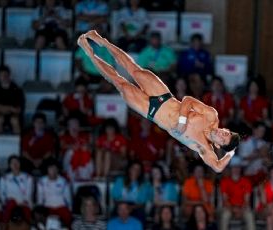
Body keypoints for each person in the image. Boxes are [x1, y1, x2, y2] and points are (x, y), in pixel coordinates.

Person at [78, 30, 240, 173]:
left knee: (119, 82)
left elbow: (218, 168)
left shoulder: (203, 148)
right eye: (226, 132)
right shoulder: (211, 115)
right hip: (164, 96)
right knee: (133, 68)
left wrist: (232, 152)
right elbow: (188, 100)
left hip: (150, 111)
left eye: (223, 139)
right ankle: (102, 41)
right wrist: (183, 121)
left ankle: (89, 52)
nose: (221, 133)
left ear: (218, 146)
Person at [0, 65, 25, 134]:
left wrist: (4, 108)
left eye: (6, 75)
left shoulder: (17, 89)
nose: (4, 77)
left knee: (15, 120)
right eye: (1, 75)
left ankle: (17, 143)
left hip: (13, 115)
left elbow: (18, 110)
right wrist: (10, 108)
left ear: (9, 75)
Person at [220, 157, 255, 230]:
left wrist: (240, 210)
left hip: (243, 207)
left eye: (238, 167)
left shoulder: (246, 182)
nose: (236, 169)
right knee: (225, 216)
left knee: (249, 215)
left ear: (240, 169)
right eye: (234, 167)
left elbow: (247, 200)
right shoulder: (225, 182)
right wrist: (233, 209)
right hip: (229, 207)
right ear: (230, 169)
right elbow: (225, 200)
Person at [37, 159, 72, 227]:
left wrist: (70, 210)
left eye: (55, 168)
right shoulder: (41, 181)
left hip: (61, 207)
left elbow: (68, 198)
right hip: (47, 208)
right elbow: (40, 198)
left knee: (67, 218)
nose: (53, 171)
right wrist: (40, 211)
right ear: (47, 169)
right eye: (50, 168)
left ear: (58, 170)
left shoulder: (64, 181)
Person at [0, 156, 33, 224]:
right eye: (12, 163)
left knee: (26, 213)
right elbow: (1, 193)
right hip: (9, 203)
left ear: (20, 164)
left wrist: (22, 203)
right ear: (9, 165)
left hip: (24, 203)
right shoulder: (4, 178)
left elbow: (29, 193)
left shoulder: (28, 177)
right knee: (10, 204)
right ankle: (5, 225)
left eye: (17, 162)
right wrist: (6, 202)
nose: (15, 165)